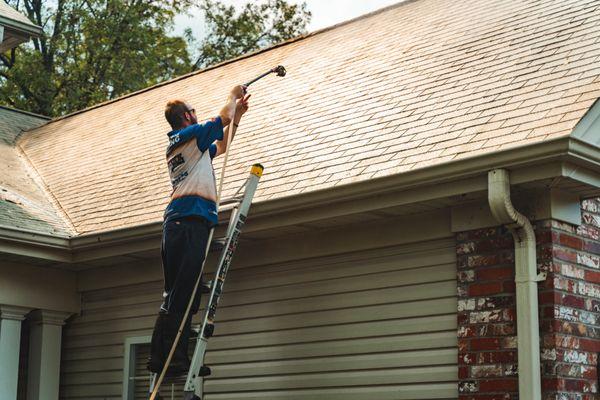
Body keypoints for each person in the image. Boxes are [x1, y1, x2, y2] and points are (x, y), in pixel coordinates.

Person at [147, 85, 250, 376]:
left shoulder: (196, 147)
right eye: (193, 110)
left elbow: (223, 143)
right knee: (181, 292)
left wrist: (237, 115)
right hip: (186, 221)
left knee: (185, 294)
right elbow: (219, 121)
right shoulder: (185, 138)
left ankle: (174, 358)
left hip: (189, 221)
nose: (197, 113)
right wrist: (231, 98)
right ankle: (162, 357)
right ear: (186, 116)